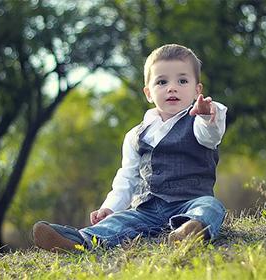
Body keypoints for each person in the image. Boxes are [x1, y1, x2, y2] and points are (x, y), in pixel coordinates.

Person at [33, 43, 227, 251]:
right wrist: (110, 207)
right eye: (161, 82)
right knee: (119, 222)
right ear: (148, 93)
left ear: (197, 90)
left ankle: (191, 231)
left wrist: (207, 114)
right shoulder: (136, 135)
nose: (172, 87)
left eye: (182, 80)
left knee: (211, 207)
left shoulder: (200, 120)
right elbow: (127, 177)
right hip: (147, 210)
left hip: (190, 202)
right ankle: (79, 241)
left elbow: (211, 135)